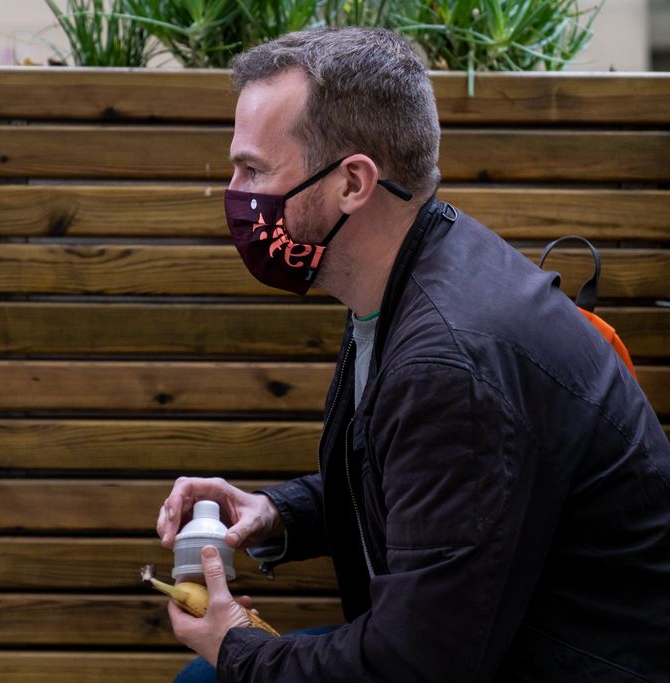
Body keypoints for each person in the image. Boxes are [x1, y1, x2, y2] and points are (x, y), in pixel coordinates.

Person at [156, 27, 670, 682]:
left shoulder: (449, 362)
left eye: (254, 170)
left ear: (352, 184)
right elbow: (426, 483)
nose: (234, 194)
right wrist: (279, 512)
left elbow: (414, 667)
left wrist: (235, 645)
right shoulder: (407, 274)